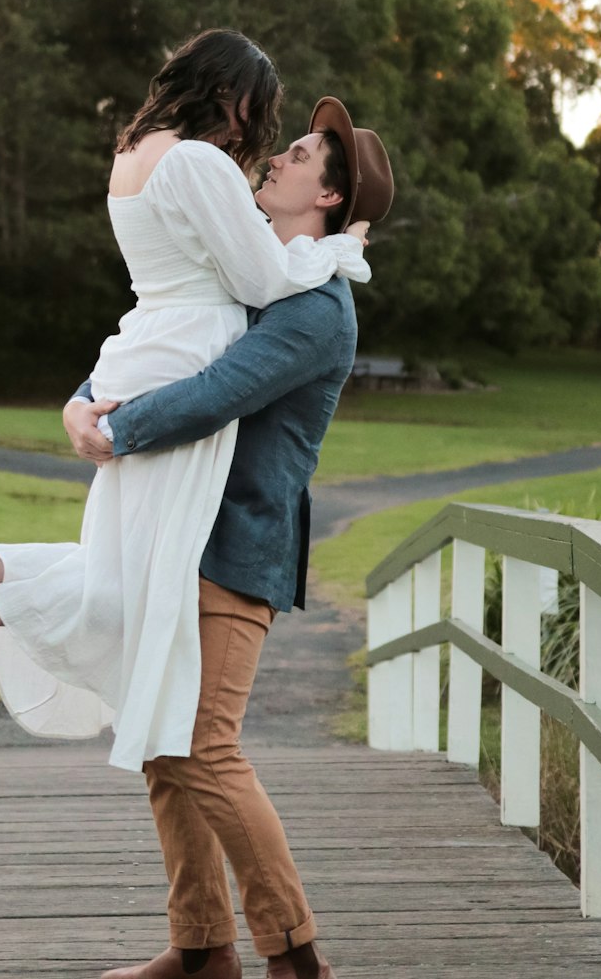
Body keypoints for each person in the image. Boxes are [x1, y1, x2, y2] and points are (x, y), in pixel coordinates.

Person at [0, 31, 370, 783]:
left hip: (139, 352)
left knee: (115, 573)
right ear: (233, 95)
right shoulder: (199, 162)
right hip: (179, 366)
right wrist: (342, 246)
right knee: (127, 587)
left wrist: (89, 398)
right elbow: (261, 282)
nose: (259, 139)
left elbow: (189, 277)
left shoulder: (131, 157)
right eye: (260, 115)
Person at [56, 93, 395, 979]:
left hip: (238, 546)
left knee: (203, 744)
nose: (273, 159)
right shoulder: (256, 274)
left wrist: (115, 428)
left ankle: (296, 952)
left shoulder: (316, 306)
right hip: (180, 532)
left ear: (328, 198)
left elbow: (216, 390)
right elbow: (160, 331)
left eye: (295, 155)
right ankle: (202, 947)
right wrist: (84, 398)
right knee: (164, 748)